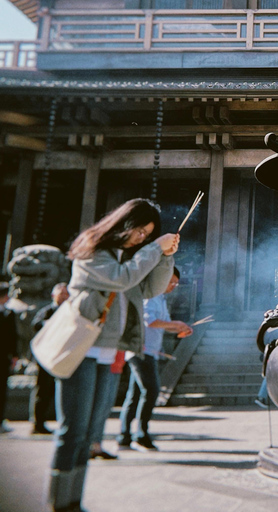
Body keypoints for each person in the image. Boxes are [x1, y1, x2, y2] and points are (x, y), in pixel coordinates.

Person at [46, 198, 179, 512]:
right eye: (139, 231)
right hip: (82, 348)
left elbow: (150, 289)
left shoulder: (129, 257)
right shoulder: (92, 250)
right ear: (123, 222)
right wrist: (154, 249)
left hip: (109, 351)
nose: (140, 239)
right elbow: (123, 279)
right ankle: (58, 502)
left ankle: (72, 501)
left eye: (146, 235)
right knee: (73, 430)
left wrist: (165, 257)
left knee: (91, 431)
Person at [118, 267, 191, 452]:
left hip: (149, 351)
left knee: (135, 395)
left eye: (176, 283)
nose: (174, 286)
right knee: (151, 391)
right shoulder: (151, 296)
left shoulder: (160, 298)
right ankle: (141, 435)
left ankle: (124, 437)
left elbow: (163, 324)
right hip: (141, 351)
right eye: (171, 282)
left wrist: (180, 328)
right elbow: (149, 321)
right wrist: (175, 324)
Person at [29, 283, 70, 435]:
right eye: (62, 294)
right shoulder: (48, 311)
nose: (65, 297)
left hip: (61, 356)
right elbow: (36, 325)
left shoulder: (69, 312)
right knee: (43, 389)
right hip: (46, 357)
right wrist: (52, 324)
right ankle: (37, 422)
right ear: (54, 296)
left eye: (66, 294)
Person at [0, 281, 18, 434]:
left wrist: (15, 355)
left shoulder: (9, 313)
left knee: (2, 389)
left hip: (3, 358)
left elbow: (13, 336)